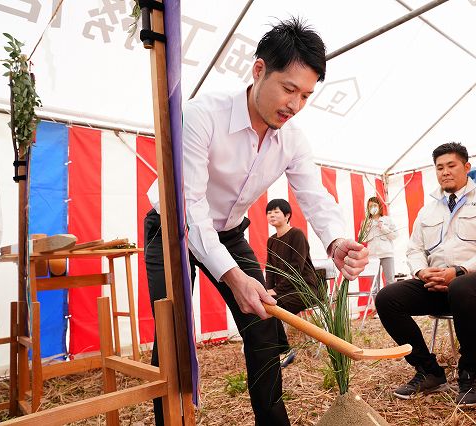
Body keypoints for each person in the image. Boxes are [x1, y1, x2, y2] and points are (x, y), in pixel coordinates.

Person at [144, 18, 369, 426]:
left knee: (263, 322)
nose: (294, 105)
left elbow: (315, 196)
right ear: (259, 69)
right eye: (288, 89)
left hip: (229, 231)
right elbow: (190, 208)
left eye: (305, 95)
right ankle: (168, 420)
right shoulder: (201, 116)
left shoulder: (293, 139)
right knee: (172, 335)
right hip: (172, 228)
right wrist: (233, 277)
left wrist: (337, 243)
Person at [375, 142, 476, 407]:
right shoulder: (428, 209)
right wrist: (423, 272)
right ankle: (429, 370)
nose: (445, 172)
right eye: (439, 167)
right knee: (387, 297)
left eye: (451, 165)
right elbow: (414, 249)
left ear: (466, 167)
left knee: (462, 287)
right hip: (435, 283)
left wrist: (459, 272)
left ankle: (471, 374)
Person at [265, 199, 324, 367]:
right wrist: (268, 289)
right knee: (265, 303)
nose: (272, 215)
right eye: (269, 213)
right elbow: (270, 269)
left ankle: (283, 351)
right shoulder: (271, 240)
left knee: (273, 306)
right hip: (283, 290)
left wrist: (276, 290)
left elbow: (296, 268)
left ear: (287, 215)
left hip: (304, 289)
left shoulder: (296, 234)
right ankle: (276, 349)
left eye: (276, 212)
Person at [361, 196, 397, 284]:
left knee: (390, 282)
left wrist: (383, 227)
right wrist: (366, 228)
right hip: (372, 255)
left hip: (387, 254)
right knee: (374, 283)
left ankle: (389, 298)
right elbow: (363, 240)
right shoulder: (366, 222)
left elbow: (395, 235)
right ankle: (376, 298)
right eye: (370, 206)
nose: (372, 208)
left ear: (379, 206)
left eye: (374, 205)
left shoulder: (387, 219)